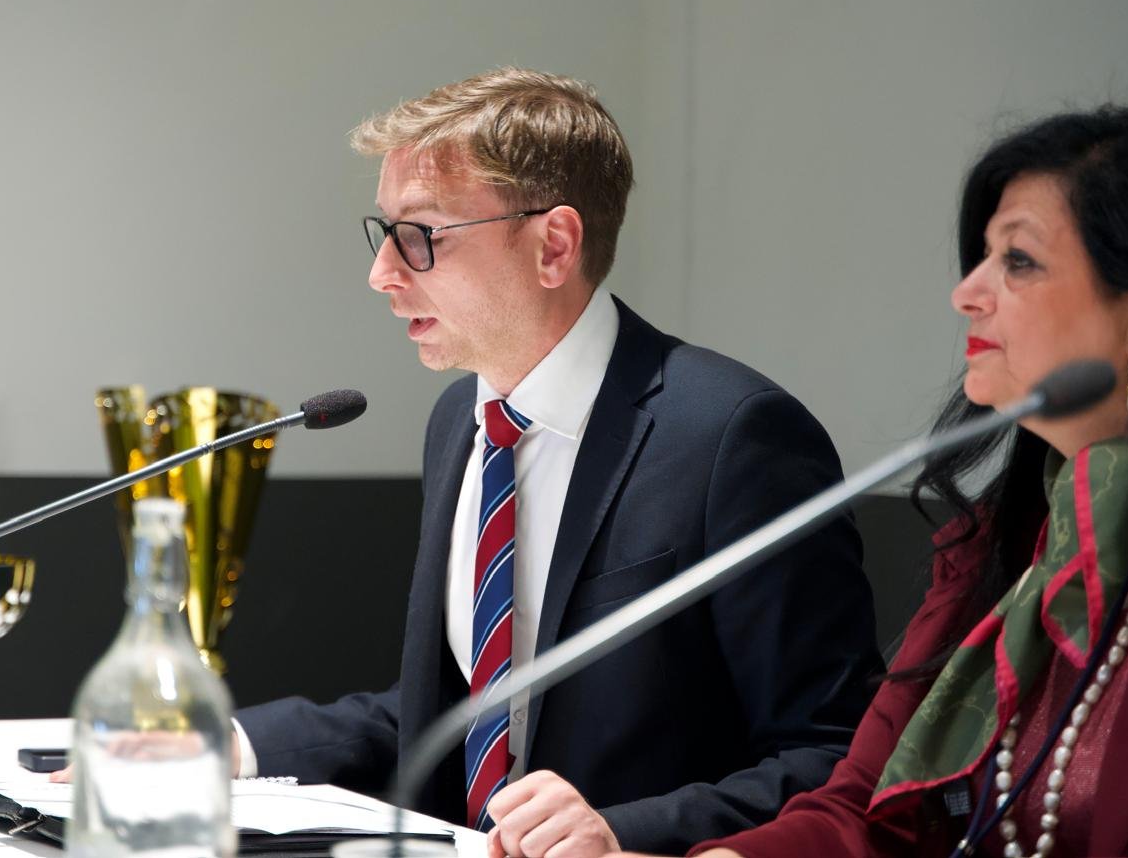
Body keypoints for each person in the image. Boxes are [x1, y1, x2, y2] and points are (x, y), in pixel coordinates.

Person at [232, 68, 883, 856]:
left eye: (421, 235)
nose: (382, 274)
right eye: (385, 233)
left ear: (554, 245)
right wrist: (235, 748)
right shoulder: (459, 423)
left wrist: (621, 832)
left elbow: (835, 756)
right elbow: (464, 710)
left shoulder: (733, 437)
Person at [666, 107, 1128, 858]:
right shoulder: (997, 550)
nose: (966, 294)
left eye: (1018, 261)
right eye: (982, 257)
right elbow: (860, 814)